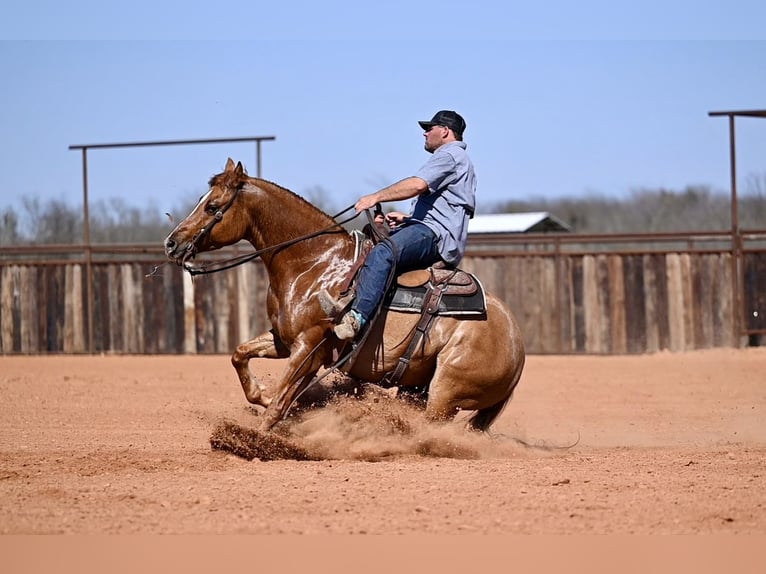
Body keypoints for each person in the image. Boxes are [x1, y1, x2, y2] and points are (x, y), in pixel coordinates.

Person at [323, 109, 477, 340]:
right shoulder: (455, 159)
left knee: (384, 253)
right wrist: (407, 219)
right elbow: (449, 205)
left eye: (429, 128)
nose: (425, 134)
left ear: (445, 131)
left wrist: (376, 197)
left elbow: (416, 185)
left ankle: (357, 318)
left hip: (435, 235)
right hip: (430, 229)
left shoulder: (450, 155)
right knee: (370, 246)